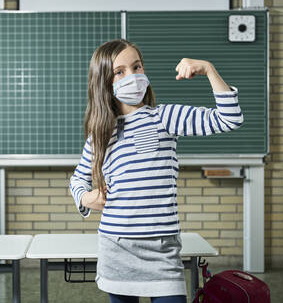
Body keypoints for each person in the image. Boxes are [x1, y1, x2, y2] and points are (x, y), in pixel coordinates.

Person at [69, 39, 244, 303]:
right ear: (104, 81)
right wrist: (84, 198)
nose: (133, 76)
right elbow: (78, 179)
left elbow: (229, 118)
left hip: (162, 252)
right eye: (120, 71)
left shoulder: (165, 117)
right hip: (115, 249)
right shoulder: (100, 135)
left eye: (137, 67)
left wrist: (208, 69)